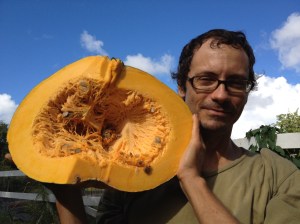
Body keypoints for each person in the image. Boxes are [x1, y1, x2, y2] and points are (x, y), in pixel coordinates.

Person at [52, 29, 300, 224]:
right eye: (206, 80)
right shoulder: (129, 168)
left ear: (247, 92)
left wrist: (191, 179)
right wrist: (64, 193)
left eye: (236, 83)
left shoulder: (281, 177)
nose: (221, 95)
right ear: (182, 86)